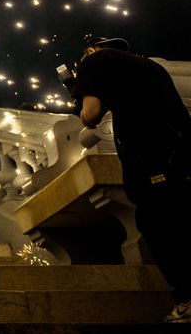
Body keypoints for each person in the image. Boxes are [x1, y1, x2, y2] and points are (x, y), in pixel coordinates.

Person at [72, 36, 191, 324]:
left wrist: (81, 102)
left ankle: (187, 297)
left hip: (149, 159)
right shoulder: (151, 67)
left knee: (157, 225)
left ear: (89, 51)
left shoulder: (93, 62)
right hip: (182, 155)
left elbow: (91, 114)